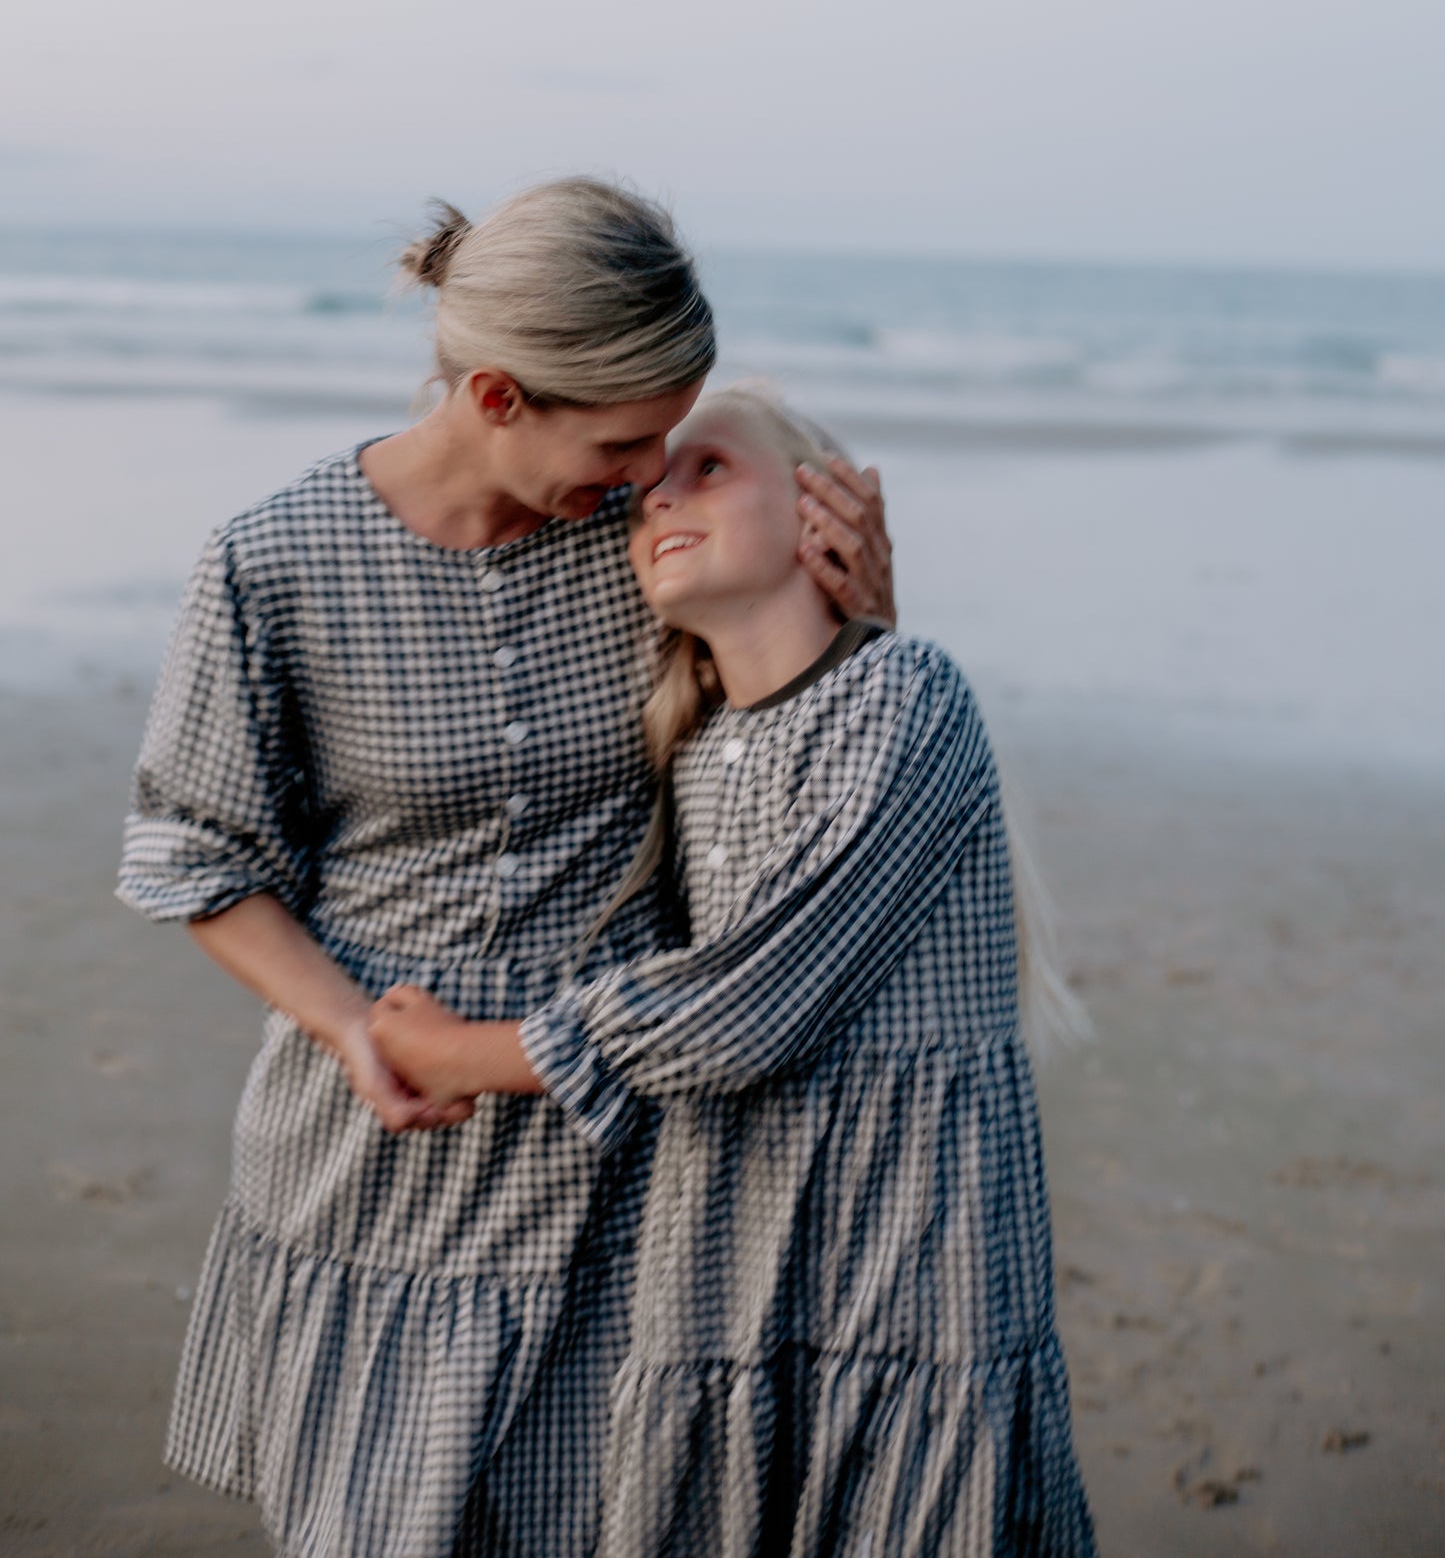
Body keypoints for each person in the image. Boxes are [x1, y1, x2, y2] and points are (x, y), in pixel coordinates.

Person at [117, 185, 893, 1558]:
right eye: (624, 441)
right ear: (494, 393)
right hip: (381, 1145)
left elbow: (795, 764)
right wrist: (353, 1028)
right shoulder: (272, 564)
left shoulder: (646, 550)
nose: (653, 474)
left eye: (672, 436)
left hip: (624, 1144)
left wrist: (858, 620)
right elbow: (197, 854)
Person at [373, 383, 1096, 1558]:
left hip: (910, 1282)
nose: (658, 491)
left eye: (705, 467)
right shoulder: (697, 761)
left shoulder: (910, 693)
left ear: (822, 503)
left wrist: (460, 1051)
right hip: (729, 1273)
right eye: (641, 486)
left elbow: (736, 1007)